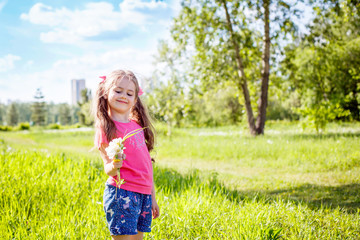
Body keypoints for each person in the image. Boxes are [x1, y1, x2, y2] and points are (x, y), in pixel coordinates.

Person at [92, 70, 160, 240]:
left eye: (129, 93)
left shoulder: (137, 127)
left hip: (143, 194)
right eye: (118, 91)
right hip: (122, 192)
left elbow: (147, 165)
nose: (123, 96)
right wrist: (115, 165)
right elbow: (108, 169)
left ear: (135, 99)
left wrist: (152, 197)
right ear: (105, 93)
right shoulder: (106, 128)